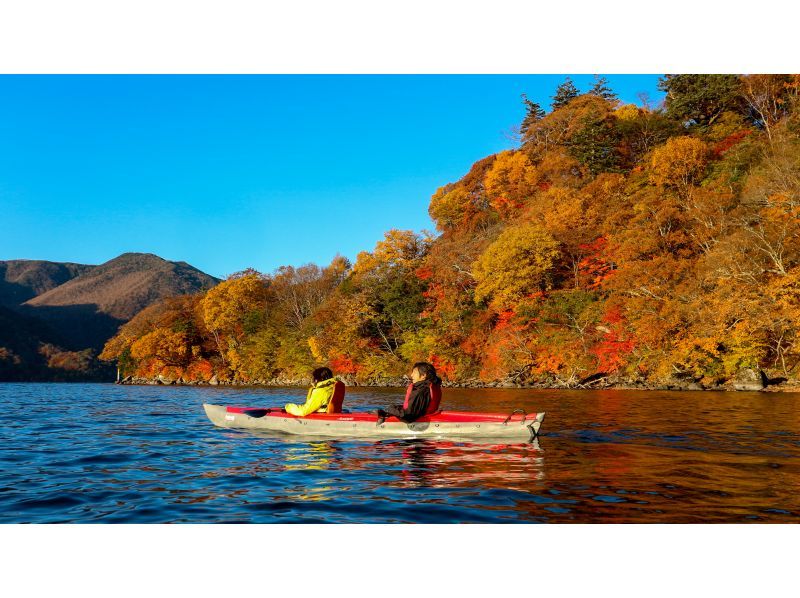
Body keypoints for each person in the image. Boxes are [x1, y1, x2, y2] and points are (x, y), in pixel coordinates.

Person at [376, 362, 442, 425]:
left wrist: (390, 409)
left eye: (414, 372)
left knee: (391, 407)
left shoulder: (419, 391)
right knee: (396, 407)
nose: (411, 375)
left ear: (423, 375)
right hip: (429, 414)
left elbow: (408, 417)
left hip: (418, 419)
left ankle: (383, 414)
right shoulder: (430, 387)